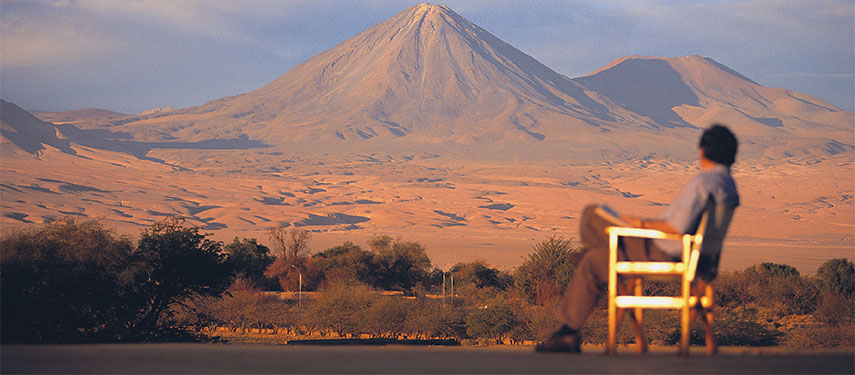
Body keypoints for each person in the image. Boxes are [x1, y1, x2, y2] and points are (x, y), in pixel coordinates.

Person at [536, 124, 740, 353]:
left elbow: (676, 227)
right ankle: (567, 333)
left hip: (664, 252)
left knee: (592, 215)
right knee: (594, 262)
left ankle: (580, 267)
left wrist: (639, 224)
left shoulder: (704, 182)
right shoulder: (729, 186)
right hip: (699, 260)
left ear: (702, 151)